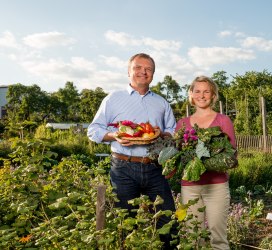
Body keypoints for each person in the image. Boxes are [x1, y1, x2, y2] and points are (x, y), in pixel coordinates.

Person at [87, 53, 177, 248]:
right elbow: (93, 130)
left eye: (149, 69)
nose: (143, 72)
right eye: (138, 68)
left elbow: (172, 131)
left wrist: (161, 134)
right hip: (123, 168)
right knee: (126, 223)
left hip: (155, 168)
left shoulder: (161, 103)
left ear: (153, 74)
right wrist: (114, 136)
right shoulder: (113, 98)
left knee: (168, 222)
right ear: (129, 72)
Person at [177, 75, 236, 250]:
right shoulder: (182, 123)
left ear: (213, 95)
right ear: (191, 94)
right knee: (193, 236)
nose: (201, 95)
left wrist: (206, 161)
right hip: (190, 187)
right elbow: (178, 155)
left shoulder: (223, 121)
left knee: (218, 238)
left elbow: (231, 155)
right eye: (197, 91)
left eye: (206, 91)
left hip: (216, 186)